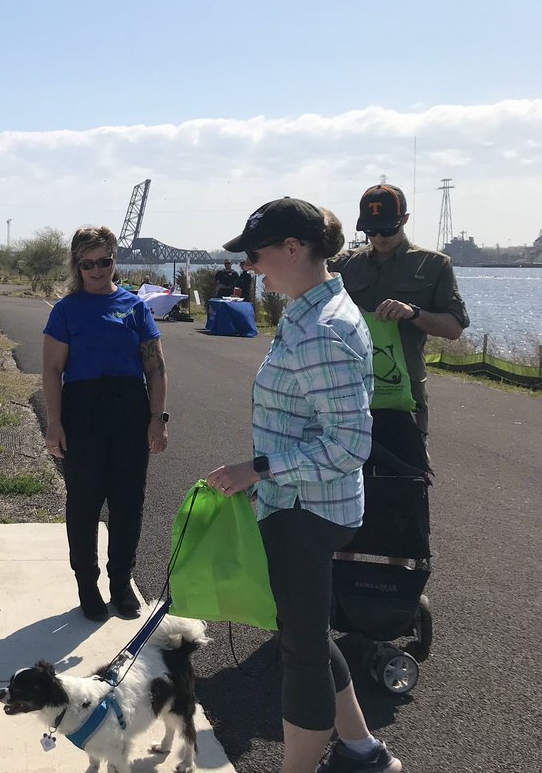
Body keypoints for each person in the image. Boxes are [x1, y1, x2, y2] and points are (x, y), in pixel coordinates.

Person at [207, 197, 401, 773]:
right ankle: (364, 750)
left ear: (294, 249)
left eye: (255, 254)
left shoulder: (322, 329)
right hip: (301, 502)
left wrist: (259, 469)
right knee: (307, 633)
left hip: (307, 511)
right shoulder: (305, 310)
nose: (250, 266)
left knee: (302, 654)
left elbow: (349, 446)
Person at [42, 226, 169, 621]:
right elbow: (52, 371)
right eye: (88, 263)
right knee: (84, 503)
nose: (98, 270)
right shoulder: (66, 311)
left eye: (106, 261)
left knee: (128, 502)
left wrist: (157, 419)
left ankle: (120, 582)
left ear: (116, 260)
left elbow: (156, 368)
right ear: (77, 265)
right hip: (83, 415)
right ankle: (87, 584)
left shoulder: (135, 307)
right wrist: (55, 423)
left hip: (130, 412)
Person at [329, 184, 469, 442]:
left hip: (405, 394)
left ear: (405, 220)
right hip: (346, 390)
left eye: (388, 228)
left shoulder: (434, 265)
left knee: (407, 477)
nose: (379, 237)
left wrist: (412, 313)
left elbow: (454, 328)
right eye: (371, 230)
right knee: (342, 476)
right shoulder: (342, 265)